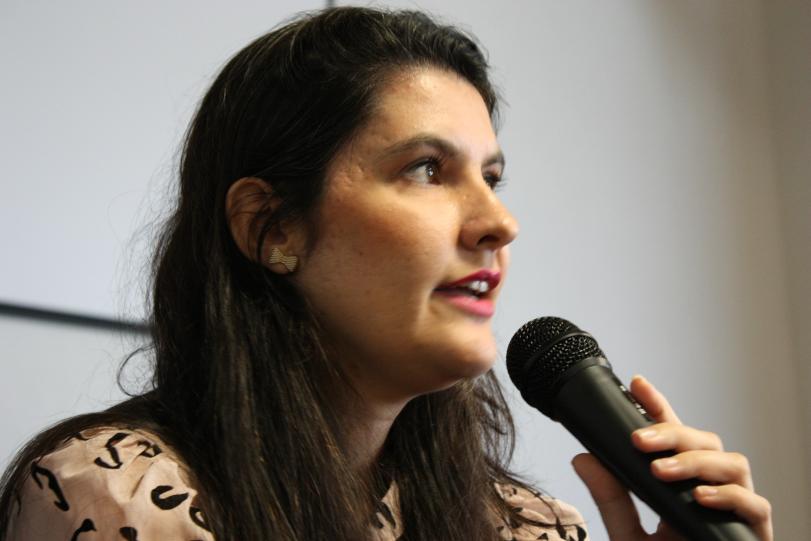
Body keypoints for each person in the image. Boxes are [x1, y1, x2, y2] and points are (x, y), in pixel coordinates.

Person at [0, 7, 772, 541]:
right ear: (271, 228)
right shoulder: (119, 496)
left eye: (491, 178)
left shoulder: (527, 527)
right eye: (427, 168)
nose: (498, 223)